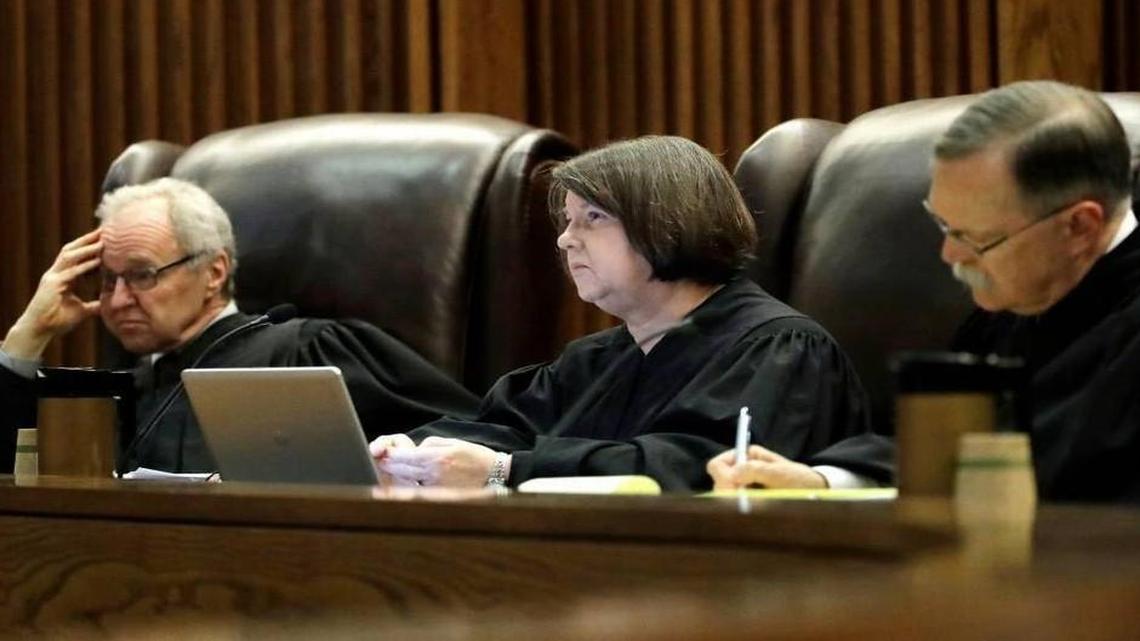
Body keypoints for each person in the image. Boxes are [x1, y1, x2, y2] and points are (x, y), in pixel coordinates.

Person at [370, 136, 893, 491]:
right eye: (567, 219)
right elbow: (502, 427)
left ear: (666, 223)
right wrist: (408, 450)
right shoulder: (598, 359)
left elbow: (695, 468)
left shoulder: (779, 349)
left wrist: (507, 472)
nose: (564, 238)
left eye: (591, 218)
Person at [0, 178, 480, 473]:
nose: (119, 299)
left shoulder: (306, 351)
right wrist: (27, 337)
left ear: (213, 272)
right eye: (109, 279)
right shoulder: (115, 392)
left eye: (142, 275)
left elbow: (475, 436)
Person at [925, 81, 1140, 502]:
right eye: (945, 225)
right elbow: (932, 443)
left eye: (976, 239)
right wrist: (830, 479)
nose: (950, 254)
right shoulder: (1017, 297)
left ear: (1080, 227)